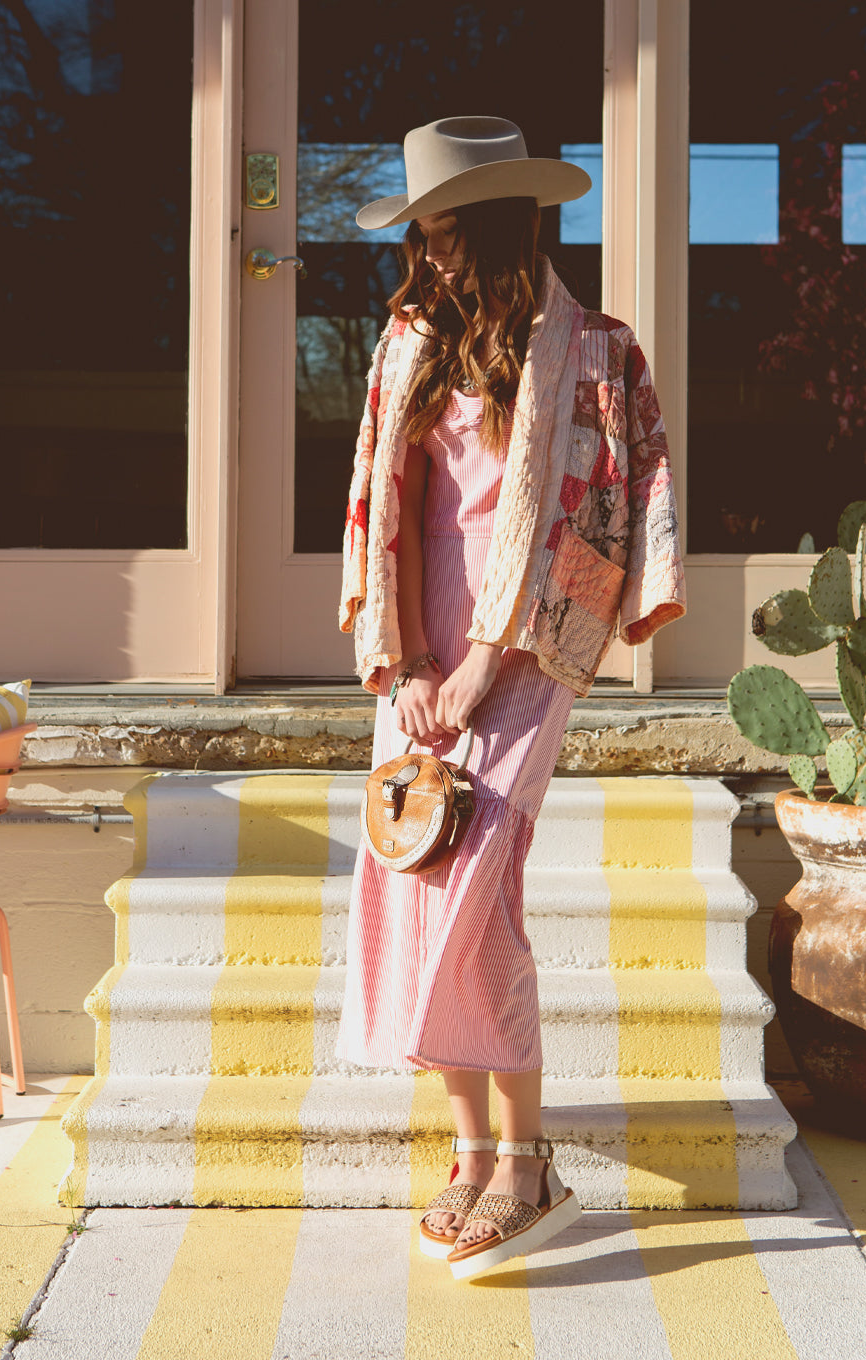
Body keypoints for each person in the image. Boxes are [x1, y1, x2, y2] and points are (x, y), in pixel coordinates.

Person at [335, 116, 686, 1280]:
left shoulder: (596, 353)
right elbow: (382, 515)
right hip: (420, 650)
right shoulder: (406, 342)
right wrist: (414, 665)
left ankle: (531, 1163)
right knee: (418, 889)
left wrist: (491, 659)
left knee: (479, 897)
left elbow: (593, 527)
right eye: (419, 239)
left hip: (527, 652)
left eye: (443, 237)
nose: (428, 259)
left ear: (494, 229)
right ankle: (472, 1149)